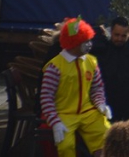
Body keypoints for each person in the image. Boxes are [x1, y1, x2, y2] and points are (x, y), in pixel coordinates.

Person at [40, 17, 111, 157]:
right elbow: (46, 97)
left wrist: (100, 104)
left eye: (89, 40)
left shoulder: (91, 61)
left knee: (106, 135)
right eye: (85, 41)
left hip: (87, 111)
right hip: (63, 113)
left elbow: (97, 87)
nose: (89, 45)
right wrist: (55, 121)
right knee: (65, 146)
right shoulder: (55, 67)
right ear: (73, 43)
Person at [90, 16, 129, 122]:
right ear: (111, 32)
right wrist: (98, 31)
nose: (119, 39)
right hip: (108, 103)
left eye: (123, 36)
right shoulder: (103, 48)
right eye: (116, 35)